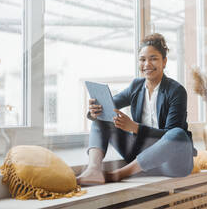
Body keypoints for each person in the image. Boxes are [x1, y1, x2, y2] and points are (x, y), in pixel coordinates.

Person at [77, 33, 197, 185]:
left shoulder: (176, 91)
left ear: (164, 62)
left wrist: (134, 127)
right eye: (142, 59)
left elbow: (170, 135)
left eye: (153, 58)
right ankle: (94, 170)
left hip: (171, 162)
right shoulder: (136, 86)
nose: (147, 64)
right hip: (140, 157)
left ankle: (118, 175)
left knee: (178, 134)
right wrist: (96, 110)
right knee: (102, 119)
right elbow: (108, 106)